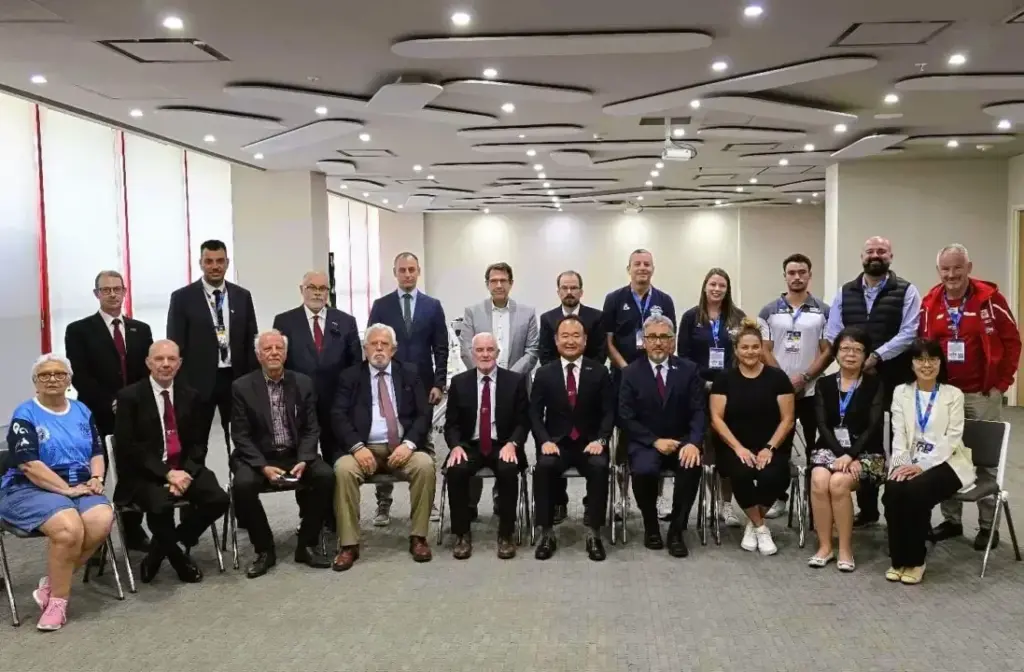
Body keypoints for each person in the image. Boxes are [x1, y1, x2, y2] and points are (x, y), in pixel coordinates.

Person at [0, 355, 114, 631]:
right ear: (35, 382)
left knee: (102, 519)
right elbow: (29, 465)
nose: (52, 379)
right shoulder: (25, 414)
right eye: (45, 375)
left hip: (78, 484)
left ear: (69, 380)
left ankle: (51, 584)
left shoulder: (82, 410)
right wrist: (66, 490)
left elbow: (97, 451)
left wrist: (96, 478)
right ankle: (58, 603)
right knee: (68, 528)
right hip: (29, 486)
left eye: (59, 374)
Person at [920, 244, 1022, 550]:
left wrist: (1002, 383)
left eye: (957, 268)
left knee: (984, 461)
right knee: (945, 455)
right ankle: (951, 520)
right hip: (945, 394)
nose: (951, 274)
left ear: (969, 267)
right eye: (945, 269)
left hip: (982, 394)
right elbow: (923, 345)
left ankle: (988, 526)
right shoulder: (930, 302)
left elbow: (1012, 341)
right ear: (938, 270)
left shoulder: (990, 300)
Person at [113, 340, 229, 584]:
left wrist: (184, 473)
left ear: (179, 363)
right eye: (159, 359)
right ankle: (178, 559)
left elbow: (199, 444)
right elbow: (128, 448)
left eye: (171, 359)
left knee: (219, 499)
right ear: (148, 363)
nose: (165, 364)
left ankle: (160, 549)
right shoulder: (129, 397)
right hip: (145, 473)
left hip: (184, 468)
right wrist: (167, 474)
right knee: (160, 505)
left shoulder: (191, 396)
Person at [824, 236, 921, 527]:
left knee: (897, 440)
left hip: (894, 380)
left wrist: (876, 356)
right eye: (870, 251)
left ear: (891, 256)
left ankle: (897, 509)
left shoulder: (907, 290)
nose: (875, 255)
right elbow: (834, 331)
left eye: (881, 251)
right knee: (861, 436)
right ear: (862, 256)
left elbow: (910, 331)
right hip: (855, 380)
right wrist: (852, 359)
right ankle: (868, 510)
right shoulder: (845, 291)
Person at [230, 330, 335, 578]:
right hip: (258, 457)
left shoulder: (303, 383)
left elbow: (311, 428)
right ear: (259, 355)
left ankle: (306, 544)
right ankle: (264, 549)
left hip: (295, 454)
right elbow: (240, 435)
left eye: (279, 348)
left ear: (286, 354)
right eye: (268, 349)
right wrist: (263, 467)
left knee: (326, 476)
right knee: (242, 486)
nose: (274, 353)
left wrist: (305, 459)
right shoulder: (242, 387)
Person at [331, 324, 435, 571]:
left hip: (401, 447)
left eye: (384, 344)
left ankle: (418, 537)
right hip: (364, 448)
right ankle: (349, 544)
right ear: (365, 349)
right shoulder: (350, 377)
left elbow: (424, 415)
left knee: (425, 465)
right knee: (343, 469)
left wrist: (409, 445)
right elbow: (338, 415)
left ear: (393, 350)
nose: (379, 349)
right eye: (373, 344)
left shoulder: (409, 373)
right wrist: (357, 447)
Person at [65, 269, 153, 551]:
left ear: (125, 291)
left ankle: (133, 530)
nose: (113, 294)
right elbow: (80, 375)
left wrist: (132, 402)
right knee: (95, 473)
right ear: (97, 294)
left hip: (135, 413)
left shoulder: (141, 329)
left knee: (134, 469)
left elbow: (146, 373)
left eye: (117, 289)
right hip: (98, 412)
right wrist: (112, 402)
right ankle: (95, 538)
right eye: (106, 290)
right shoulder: (79, 330)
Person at [883, 338, 975, 585]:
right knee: (893, 489)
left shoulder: (953, 394)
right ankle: (898, 559)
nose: (926, 365)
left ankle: (916, 561)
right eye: (920, 359)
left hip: (947, 462)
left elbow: (952, 439)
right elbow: (899, 434)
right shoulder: (901, 392)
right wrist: (900, 465)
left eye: (932, 359)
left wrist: (922, 466)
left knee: (916, 491)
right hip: (909, 459)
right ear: (911, 363)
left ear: (940, 362)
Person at [368, 252, 448, 526]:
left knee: (424, 441)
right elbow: (372, 345)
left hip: (423, 385)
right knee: (384, 438)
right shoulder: (381, 306)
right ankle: (383, 503)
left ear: (418, 271)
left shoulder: (432, 306)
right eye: (402, 270)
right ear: (395, 273)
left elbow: (441, 347)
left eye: (412, 269)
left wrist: (439, 383)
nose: (407, 274)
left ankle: (429, 500)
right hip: (388, 382)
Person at [619, 314, 706, 557]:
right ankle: (651, 526)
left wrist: (694, 442)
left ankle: (677, 530)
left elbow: (699, 411)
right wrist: (654, 441)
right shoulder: (631, 372)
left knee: (691, 466)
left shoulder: (689, 370)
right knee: (643, 470)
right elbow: (625, 416)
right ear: (644, 341)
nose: (658, 342)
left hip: (681, 440)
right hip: (646, 442)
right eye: (652, 337)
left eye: (664, 337)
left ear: (672, 341)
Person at [531, 315, 614, 562]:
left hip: (590, 443)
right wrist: (544, 441)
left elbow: (609, 412)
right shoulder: (544, 373)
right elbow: (534, 414)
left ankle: (594, 533)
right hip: (556, 444)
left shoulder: (599, 371)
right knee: (544, 468)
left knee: (599, 468)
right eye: (565, 336)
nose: (570, 341)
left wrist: (601, 440)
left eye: (576, 336)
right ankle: (546, 533)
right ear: (556, 341)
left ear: (585, 340)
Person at [710, 318, 795, 556]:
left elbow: (788, 419)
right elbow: (716, 419)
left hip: (771, 445)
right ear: (736, 350)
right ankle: (761, 527)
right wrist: (738, 448)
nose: (750, 352)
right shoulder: (724, 379)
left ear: (762, 349)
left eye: (755, 347)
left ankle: (753, 523)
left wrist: (770, 448)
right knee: (741, 473)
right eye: (745, 347)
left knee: (775, 475)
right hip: (734, 446)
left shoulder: (777, 378)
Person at [459, 262, 538, 517]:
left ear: (511, 283)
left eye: (503, 280)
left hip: (514, 391)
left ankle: (501, 502)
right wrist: (484, 373)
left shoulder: (527, 313)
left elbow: (532, 351)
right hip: (479, 386)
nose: (499, 285)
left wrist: (507, 380)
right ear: (487, 284)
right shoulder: (472, 312)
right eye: (494, 281)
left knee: (505, 443)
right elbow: (466, 349)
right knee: (476, 437)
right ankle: (470, 503)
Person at [757, 254, 831, 518]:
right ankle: (779, 497)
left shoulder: (824, 311)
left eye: (802, 272)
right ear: (785, 276)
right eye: (792, 272)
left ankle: (815, 500)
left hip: (811, 391)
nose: (797, 277)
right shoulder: (768, 311)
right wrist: (783, 381)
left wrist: (805, 377)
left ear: (810, 275)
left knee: (815, 448)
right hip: (778, 393)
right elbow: (763, 349)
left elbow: (828, 351)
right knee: (779, 447)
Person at [443, 332, 528, 560]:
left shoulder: (515, 381)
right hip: (469, 445)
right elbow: (451, 424)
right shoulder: (459, 383)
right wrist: (455, 446)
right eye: (480, 350)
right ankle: (461, 533)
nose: (485, 354)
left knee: (508, 469)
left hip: (503, 444)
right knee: (456, 470)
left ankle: (506, 534)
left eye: (490, 349)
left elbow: (523, 421)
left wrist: (513, 443)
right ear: (472, 354)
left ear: (498, 353)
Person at [167, 239, 259, 446]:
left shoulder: (242, 296)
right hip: (198, 382)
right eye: (209, 261)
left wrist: (252, 380)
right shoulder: (182, 298)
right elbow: (176, 344)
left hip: (235, 379)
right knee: (195, 442)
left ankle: (238, 468)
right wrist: (181, 384)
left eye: (220, 261)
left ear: (227, 263)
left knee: (240, 440)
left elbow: (251, 340)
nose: (215, 266)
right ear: (200, 263)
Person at [807, 327, 885, 572]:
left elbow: (873, 426)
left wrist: (851, 455)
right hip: (830, 448)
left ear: (866, 356)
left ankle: (845, 549)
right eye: (845, 349)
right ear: (836, 353)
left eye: (857, 350)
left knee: (839, 482)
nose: (850, 354)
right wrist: (840, 453)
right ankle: (824, 546)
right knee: (819, 479)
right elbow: (822, 425)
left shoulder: (875, 384)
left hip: (867, 452)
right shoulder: (824, 384)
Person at [678, 267, 745, 526]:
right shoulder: (690, 317)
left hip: (730, 390)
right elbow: (683, 356)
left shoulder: (737, 318)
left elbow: (744, 353)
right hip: (699, 389)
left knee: (727, 445)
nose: (717, 289)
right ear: (705, 287)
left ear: (727, 290)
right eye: (713, 284)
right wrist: (702, 382)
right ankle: (711, 500)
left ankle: (726, 504)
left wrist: (727, 383)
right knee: (705, 445)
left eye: (722, 286)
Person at [537, 270, 605, 524]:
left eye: (573, 287)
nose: (569, 292)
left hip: (588, 388)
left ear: (581, 291)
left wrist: (583, 373)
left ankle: (593, 514)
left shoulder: (596, 317)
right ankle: (555, 509)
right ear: (558, 291)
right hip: (558, 391)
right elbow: (545, 354)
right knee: (547, 462)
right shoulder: (548, 319)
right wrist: (560, 374)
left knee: (598, 465)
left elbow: (599, 352)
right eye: (564, 287)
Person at [272, 270, 361, 464]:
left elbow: (355, 364)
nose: (317, 292)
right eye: (312, 287)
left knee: (336, 456)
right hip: (299, 400)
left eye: (323, 288)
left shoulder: (346, 321)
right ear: (302, 290)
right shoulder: (284, 321)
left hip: (336, 401)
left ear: (328, 291)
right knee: (301, 456)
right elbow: (279, 361)